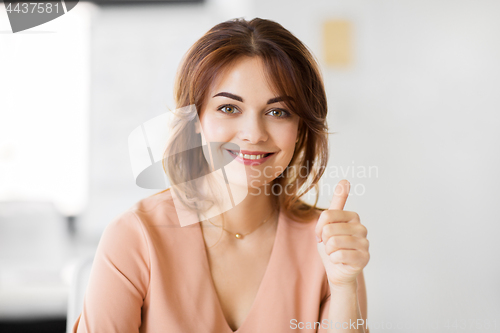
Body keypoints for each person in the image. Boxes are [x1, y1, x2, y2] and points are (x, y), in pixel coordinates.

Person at [72, 17, 370, 333]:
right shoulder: (136, 237)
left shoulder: (330, 244)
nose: (254, 134)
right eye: (229, 108)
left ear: (299, 130)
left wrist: (343, 285)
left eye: (277, 112)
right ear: (195, 120)